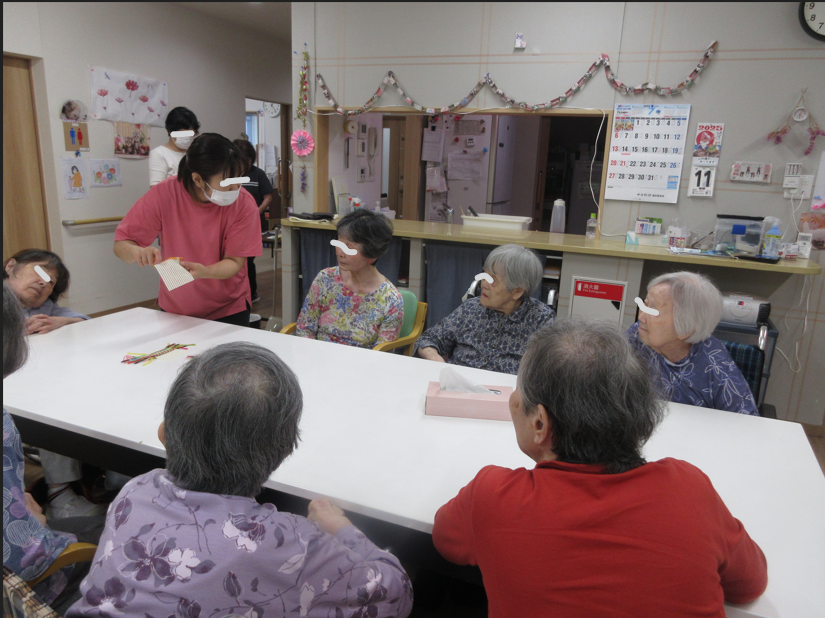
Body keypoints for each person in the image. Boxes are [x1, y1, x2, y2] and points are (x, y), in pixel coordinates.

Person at [433, 319, 768, 618]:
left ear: (539, 423)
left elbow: (446, 539)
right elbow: (750, 583)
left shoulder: (494, 496)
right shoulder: (689, 489)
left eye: (518, 386)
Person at [65, 341, 413, 618]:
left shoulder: (134, 491)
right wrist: (341, 529)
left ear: (164, 435)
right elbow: (396, 593)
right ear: (284, 450)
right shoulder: (290, 545)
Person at [3, 284, 105, 615]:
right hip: (28, 578)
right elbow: (21, 554)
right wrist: (24, 518)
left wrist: (14, 500)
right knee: (125, 529)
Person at [114, 133, 261, 327]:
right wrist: (138, 252)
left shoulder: (243, 203)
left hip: (228, 309)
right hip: (176, 310)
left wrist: (204, 271)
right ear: (198, 179)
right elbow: (121, 244)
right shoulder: (165, 194)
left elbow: (235, 262)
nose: (235, 187)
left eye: (239, 179)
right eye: (227, 182)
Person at [3, 249, 106, 518]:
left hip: (35, 380)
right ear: (11, 266)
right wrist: (13, 333)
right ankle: (59, 492)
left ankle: (101, 472)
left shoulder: (44, 309)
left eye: (51, 283)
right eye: (38, 272)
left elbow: (90, 322)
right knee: (50, 404)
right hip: (15, 391)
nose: (44, 283)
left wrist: (64, 321)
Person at [628, 271, 759, 415]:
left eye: (652, 311)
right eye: (645, 304)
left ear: (686, 328)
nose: (641, 317)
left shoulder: (716, 367)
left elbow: (746, 424)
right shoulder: (637, 335)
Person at [414, 244, 555, 375]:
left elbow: (546, 372)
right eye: (484, 275)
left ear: (517, 291)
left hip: (506, 395)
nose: (484, 284)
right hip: (458, 386)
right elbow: (429, 339)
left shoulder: (541, 320)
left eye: (493, 280)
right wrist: (435, 359)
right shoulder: (471, 308)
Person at [296, 209, 404, 348]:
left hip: (361, 367)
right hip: (317, 360)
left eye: (349, 247)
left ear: (372, 255)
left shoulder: (391, 300)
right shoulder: (325, 279)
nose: (340, 253)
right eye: (339, 244)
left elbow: (381, 355)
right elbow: (305, 328)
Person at [233, 138, 275, 304]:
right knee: (235, 260)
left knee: (247, 260)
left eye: (248, 160)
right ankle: (238, 292)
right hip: (234, 224)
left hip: (253, 223)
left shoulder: (258, 174)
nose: (245, 164)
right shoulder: (229, 174)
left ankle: (251, 292)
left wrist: (257, 211)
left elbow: (268, 196)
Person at [148, 106, 200, 186]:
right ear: (170, 132)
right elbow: (156, 190)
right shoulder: (159, 154)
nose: (187, 138)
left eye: (191, 134)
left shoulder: (195, 154)